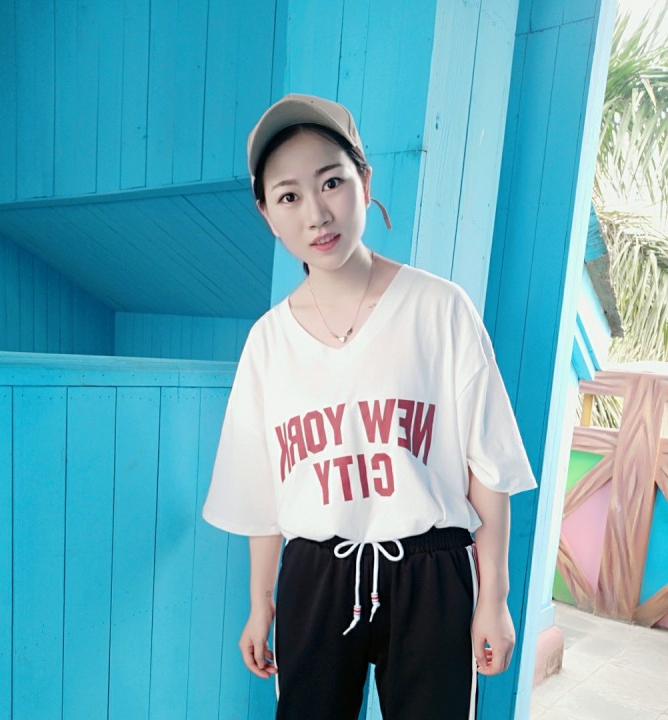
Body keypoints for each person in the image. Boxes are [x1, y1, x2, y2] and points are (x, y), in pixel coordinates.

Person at [202, 93, 537, 719]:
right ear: (267, 214)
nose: (317, 213)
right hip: (317, 577)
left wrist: (495, 597)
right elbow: (260, 492)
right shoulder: (268, 343)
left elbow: (488, 468)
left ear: (365, 180)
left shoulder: (439, 309)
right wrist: (260, 601)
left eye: (331, 181)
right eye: (289, 196)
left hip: (431, 572)